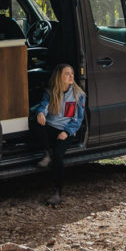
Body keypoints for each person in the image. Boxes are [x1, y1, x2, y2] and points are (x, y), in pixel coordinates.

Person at [31, 63, 86, 205]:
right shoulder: (50, 92)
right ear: (59, 77)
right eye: (67, 74)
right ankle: (46, 153)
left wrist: (67, 132)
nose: (71, 76)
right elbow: (42, 107)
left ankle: (57, 192)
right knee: (35, 122)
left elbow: (78, 119)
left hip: (66, 130)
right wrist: (40, 114)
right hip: (50, 127)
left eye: (72, 73)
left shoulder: (78, 95)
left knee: (59, 157)